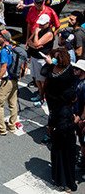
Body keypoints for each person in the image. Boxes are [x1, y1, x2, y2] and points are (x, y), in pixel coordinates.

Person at [43, 47, 78, 192]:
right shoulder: (70, 73)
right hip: (68, 127)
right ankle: (70, 183)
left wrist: (49, 63)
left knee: (58, 154)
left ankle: (59, 180)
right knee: (69, 156)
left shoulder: (54, 78)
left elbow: (45, 73)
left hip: (60, 126)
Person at [0, 28, 24, 135]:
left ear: (4, 39)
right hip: (14, 79)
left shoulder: (4, 51)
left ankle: (1, 129)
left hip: (6, 81)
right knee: (13, 103)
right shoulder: (13, 48)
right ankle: (12, 126)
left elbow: (3, 67)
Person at [28, 13, 56, 107]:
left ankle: (42, 96)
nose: (40, 26)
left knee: (42, 80)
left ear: (48, 23)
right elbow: (29, 41)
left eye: (42, 24)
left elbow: (36, 44)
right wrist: (34, 44)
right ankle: (40, 93)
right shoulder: (39, 29)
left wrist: (36, 34)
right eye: (39, 24)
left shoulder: (48, 33)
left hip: (42, 59)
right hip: (34, 57)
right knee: (36, 78)